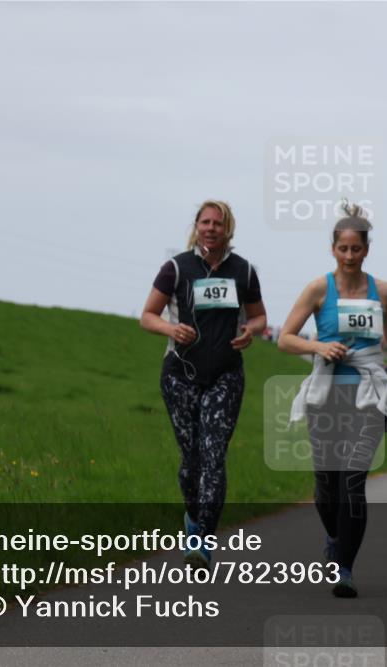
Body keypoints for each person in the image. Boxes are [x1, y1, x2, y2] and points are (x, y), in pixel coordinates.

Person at [278, 202, 387, 598]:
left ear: (366, 250)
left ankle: (344, 567)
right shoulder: (317, 289)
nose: (349, 256)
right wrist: (318, 346)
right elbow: (285, 338)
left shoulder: (385, 291)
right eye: (342, 249)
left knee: (353, 482)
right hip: (327, 395)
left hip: (368, 394)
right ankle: (332, 538)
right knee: (327, 485)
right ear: (333, 249)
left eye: (355, 249)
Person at [140, 200, 267, 569]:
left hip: (226, 374)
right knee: (191, 458)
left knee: (213, 455)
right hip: (180, 374)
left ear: (229, 230)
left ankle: (202, 538)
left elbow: (259, 317)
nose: (211, 228)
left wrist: (249, 331)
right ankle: (192, 517)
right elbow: (147, 315)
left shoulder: (243, 272)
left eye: (218, 223)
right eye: (205, 222)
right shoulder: (177, 267)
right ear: (196, 227)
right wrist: (170, 327)